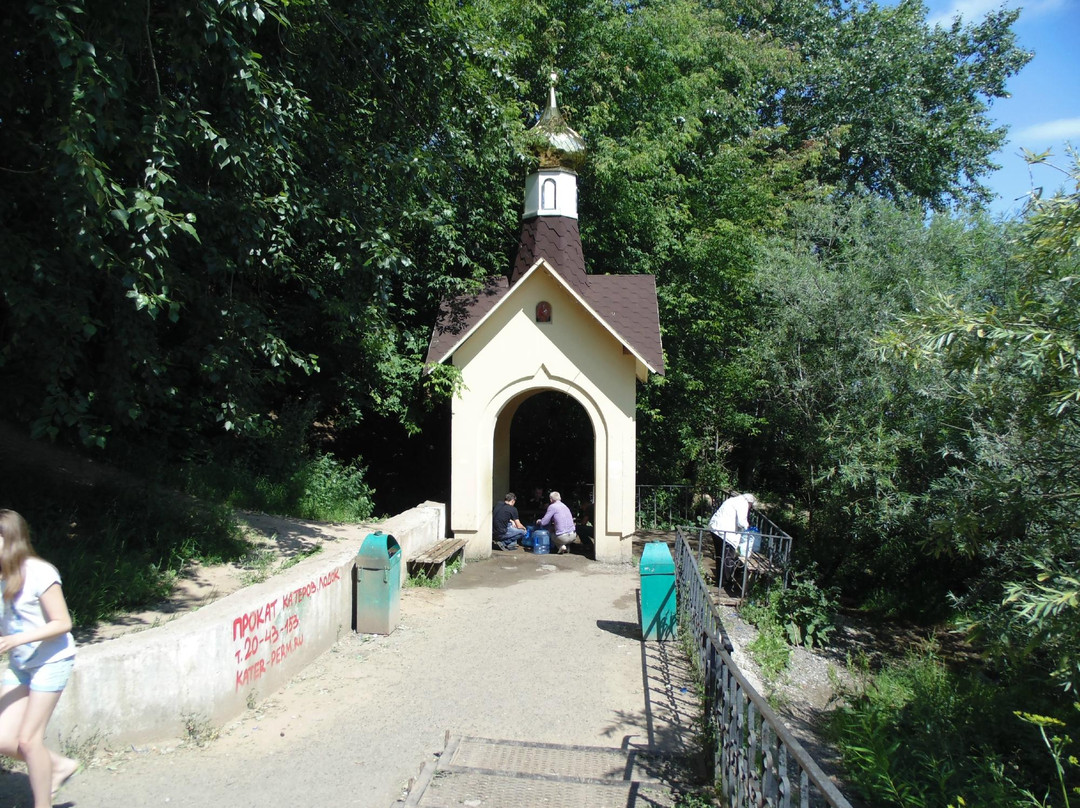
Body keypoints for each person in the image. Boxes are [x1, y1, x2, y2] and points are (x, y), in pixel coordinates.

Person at [0, 510, 81, 807]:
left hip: (51, 661)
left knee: (28, 741)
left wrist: (16, 640)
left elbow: (63, 623)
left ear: (8, 538)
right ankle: (58, 766)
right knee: (3, 738)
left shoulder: (40, 572)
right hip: (21, 664)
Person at [708, 493, 757, 557]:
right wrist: (747, 526)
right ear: (750, 503)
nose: (750, 508)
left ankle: (720, 567)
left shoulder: (733, 500)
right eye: (751, 506)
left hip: (715, 528)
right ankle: (723, 567)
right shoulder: (743, 503)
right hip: (725, 534)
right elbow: (741, 522)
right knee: (727, 559)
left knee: (719, 556)